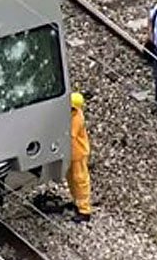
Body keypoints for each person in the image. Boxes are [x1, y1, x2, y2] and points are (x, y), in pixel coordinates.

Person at [68, 92, 92, 223]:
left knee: (80, 180)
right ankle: (76, 202)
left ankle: (84, 211)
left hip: (78, 154)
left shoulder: (76, 118)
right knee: (71, 179)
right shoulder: (71, 114)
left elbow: (70, 136)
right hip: (71, 153)